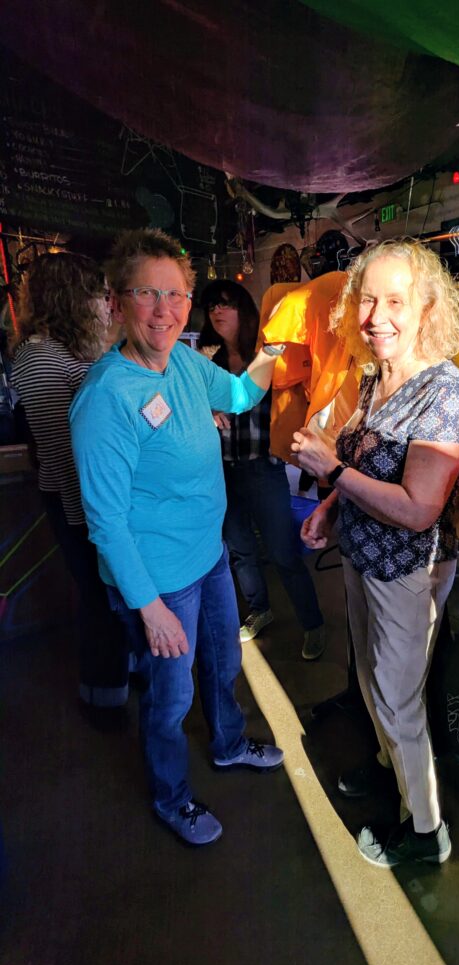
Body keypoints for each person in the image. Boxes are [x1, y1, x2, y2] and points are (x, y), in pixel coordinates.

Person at [69, 229, 286, 846]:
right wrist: (151, 608)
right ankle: (171, 797)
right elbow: (105, 522)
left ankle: (227, 743)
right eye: (148, 294)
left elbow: (241, 395)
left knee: (225, 660)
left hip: (208, 553)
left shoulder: (189, 362)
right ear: (117, 303)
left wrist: (271, 352)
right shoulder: (107, 397)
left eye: (176, 295)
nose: (165, 309)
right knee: (170, 698)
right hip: (160, 578)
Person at [292, 239, 459, 867]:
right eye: (368, 299)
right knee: (370, 678)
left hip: (407, 571)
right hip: (362, 556)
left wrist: (332, 471)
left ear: (426, 307)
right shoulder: (376, 378)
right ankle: (393, 769)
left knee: (399, 697)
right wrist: (329, 507)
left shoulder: (443, 390)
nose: (376, 316)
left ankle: (426, 832)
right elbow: (369, 471)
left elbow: (420, 506)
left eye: (394, 301)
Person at [11, 252, 129, 722]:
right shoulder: (42, 355)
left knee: (111, 596)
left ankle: (121, 675)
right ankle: (102, 699)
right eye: (99, 294)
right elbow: (72, 441)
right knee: (102, 599)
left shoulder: (55, 351)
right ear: (73, 298)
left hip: (84, 498)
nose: (105, 304)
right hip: (79, 500)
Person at [199, 279, 325, 659]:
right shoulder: (206, 360)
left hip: (263, 468)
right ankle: (260, 610)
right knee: (240, 550)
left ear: (244, 311)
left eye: (227, 304)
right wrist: (204, 409)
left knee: (284, 552)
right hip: (222, 471)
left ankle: (313, 624)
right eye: (212, 306)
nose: (218, 312)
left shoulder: (267, 356)